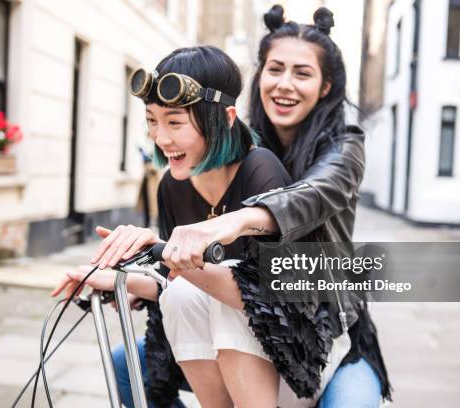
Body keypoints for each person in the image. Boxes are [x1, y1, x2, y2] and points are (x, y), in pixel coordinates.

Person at [143, 5, 392, 408]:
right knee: (129, 363)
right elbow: (182, 278)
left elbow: (313, 193)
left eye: (303, 73)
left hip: (326, 322)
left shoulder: (344, 145)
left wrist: (233, 221)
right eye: (275, 69)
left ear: (325, 86)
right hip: (239, 317)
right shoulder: (235, 146)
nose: (285, 85)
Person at [52, 45, 292, 407]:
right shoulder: (172, 185)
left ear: (226, 118)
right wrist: (119, 279)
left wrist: (157, 249)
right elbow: (178, 286)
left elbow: (266, 298)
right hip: (209, 334)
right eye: (152, 120)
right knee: (124, 366)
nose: (160, 138)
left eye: (175, 122)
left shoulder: (261, 169)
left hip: (276, 344)